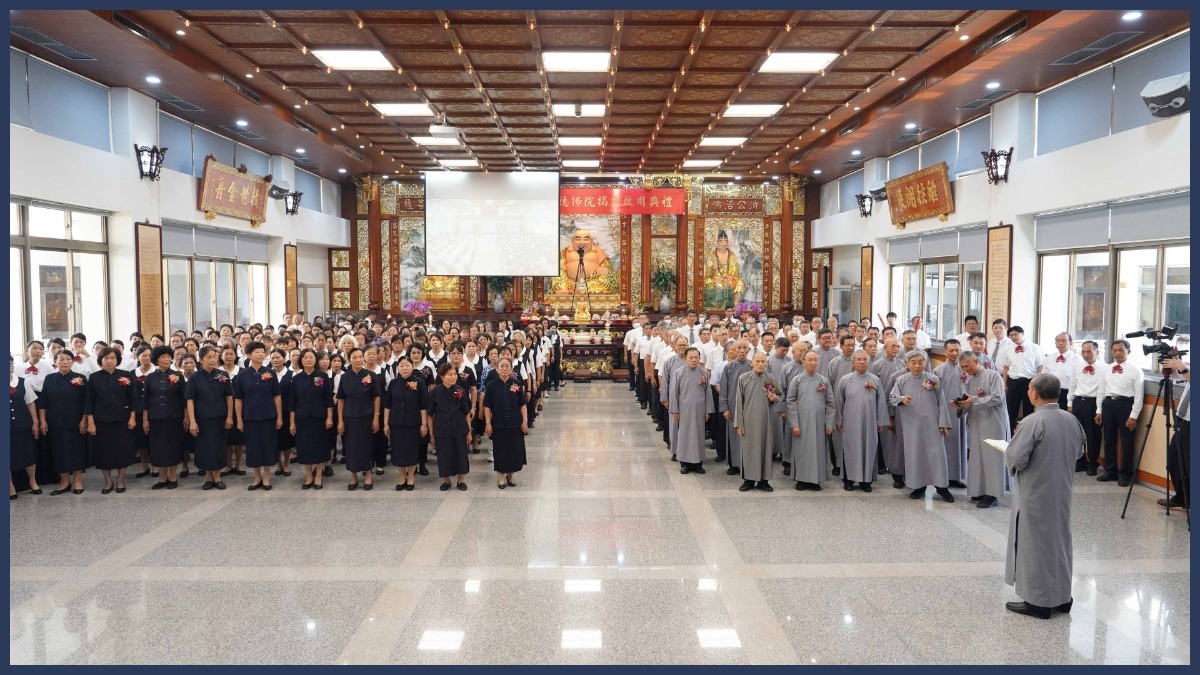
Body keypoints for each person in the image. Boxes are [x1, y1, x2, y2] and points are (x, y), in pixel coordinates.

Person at [1004, 373, 1086, 620]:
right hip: (1061, 491)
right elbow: (1079, 452)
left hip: (1036, 492)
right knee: (1059, 543)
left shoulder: (1032, 421)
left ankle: (1038, 602)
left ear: (1034, 393)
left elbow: (1016, 457)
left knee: (1035, 544)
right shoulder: (1071, 419)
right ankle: (1062, 598)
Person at [891, 351, 954, 503]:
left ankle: (942, 487)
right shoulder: (901, 380)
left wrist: (943, 423)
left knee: (937, 455)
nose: (917, 366)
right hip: (912, 425)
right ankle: (919, 486)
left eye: (920, 362)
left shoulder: (933, 379)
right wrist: (902, 399)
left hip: (932, 424)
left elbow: (941, 401)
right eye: (913, 363)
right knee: (915, 455)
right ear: (907, 364)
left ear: (925, 363)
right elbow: (892, 397)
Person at [959, 351, 1012, 508]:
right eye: (962, 367)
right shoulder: (970, 380)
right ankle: (979, 489)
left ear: (976, 361)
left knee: (992, 457)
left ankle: (992, 494)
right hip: (977, 422)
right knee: (977, 457)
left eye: (967, 366)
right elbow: (969, 400)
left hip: (993, 421)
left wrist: (974, 400)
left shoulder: (993, 375)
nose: (965, 370)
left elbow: (997, 397)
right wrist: (960, 405)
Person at [85, 347, 138, 495]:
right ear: (101, 360)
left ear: (117, 360)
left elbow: (133, 398)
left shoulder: (126, 375)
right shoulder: (94, 377)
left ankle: (121, 480)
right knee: (103, 452)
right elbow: (89, 401)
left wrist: (133, 417)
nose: (110, 361)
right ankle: (108, 481)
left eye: (113, 358)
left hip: (123, 420)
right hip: (101, 421)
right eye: (106, 358)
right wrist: (90, 422)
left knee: (123, 451)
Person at [833, 351, 888, 492]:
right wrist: (838, 420)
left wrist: (880, 421)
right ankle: (849, 480)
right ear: (853, 362)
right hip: (851, 422)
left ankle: (866, 481)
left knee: (869, 448)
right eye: (858, 359)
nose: (862, 362)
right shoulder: (845, 380)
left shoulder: (875, 380)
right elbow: (839, 401)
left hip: (870, 422)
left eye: (864, 359)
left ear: (869, 362)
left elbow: (881, 401)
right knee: (850, 449)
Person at [234, 342, 282, 491]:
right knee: (253, 447)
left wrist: (279, 417)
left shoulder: (270, 372)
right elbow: (238, 399)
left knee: (268, 446)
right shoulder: (242, 375)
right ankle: (256, 477)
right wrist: (239, 419)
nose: (261, 354)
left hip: (268, 416)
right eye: (257, 352)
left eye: (262, 351)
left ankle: (266, 477)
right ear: (248, 355)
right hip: (250, 417)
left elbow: (277, 396)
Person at [1096, 340, 1144, 487]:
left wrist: (1133, 416)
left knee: (1127, 441)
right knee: (1109, 439)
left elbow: (1139, 396)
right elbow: (1101, 391)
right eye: (1114, 350)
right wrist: (1099, 411)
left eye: (1121, 350)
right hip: (1108, 404)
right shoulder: (1107, 369)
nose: (1117, 353)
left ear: (1128, 351)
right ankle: (1110, 470)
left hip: (1126, 405)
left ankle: (1125, 474)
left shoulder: (1136, 370)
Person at [786, 350, 834, 490]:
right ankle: (801, 480)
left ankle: (815, 480)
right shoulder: (797, 380)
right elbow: (790, 402)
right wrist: (794, 424)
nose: (813, 362)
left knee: (818, 451)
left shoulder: (823, 380)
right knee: (801, 451)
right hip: (802, 422)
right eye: (810, 360)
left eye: (815, 360)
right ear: (803, 362)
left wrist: (829, 424)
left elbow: (830, 403)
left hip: (819, 423)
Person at [187, 346, 234, 490]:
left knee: (219, 447)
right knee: (205, 448)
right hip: (202, 419)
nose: (213, 360)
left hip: (220, 418)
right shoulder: (194, 377)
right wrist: (192, 421)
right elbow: (190, 400)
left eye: (214, 357)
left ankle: (218, 477)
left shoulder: (223, 374)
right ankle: (208, 478)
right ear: (201, 360)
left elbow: (229, 397)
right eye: (209, 357)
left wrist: (229, 416)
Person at [289, 348, 334, 490]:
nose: (308, 359)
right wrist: (292, 422)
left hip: (319, 418)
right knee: (305, 448)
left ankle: (318, 476)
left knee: (319, 447)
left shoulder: (322, 376)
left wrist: (329, 418)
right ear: (301, 360)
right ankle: (309, 476)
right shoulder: (296, 379)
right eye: (305, 357)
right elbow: (292, 402)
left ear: (316, 360)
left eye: (311, 357)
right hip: (302, 419)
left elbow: (328, 399)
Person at [733, 352, 778, 492]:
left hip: (765, 421)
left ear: (767, 363)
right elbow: (739, 401)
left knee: (765, 449)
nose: (760, 364)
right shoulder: (744, 378)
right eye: (757, 361)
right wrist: (739, 423)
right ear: (751, 363)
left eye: (763, 361)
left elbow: (777, 397)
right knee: (749, 450)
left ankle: (764, 480)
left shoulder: (769, 379)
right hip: (748, 421)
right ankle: (749, 480)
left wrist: (774, 398)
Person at [143, 346, 187, 490]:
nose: (167, 359)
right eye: (163, 357)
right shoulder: (150, 378)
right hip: (155, 418)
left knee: (173, 447)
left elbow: (183, 399)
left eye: (169, 356)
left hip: (174, 417)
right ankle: (162, 479)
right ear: (156, 359)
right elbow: (145, 400)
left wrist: (186, 416)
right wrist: (145, 419)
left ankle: (173, 477)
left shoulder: (178, 376)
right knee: (158, 449)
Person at [383, 356, 429, 491]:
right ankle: (402, 478)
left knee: (412, 451)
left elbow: (423, 405)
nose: (404, 368)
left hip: (413, 423)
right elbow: (387, 405)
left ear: (412, 367)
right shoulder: (393, 383)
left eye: (407, 365)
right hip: (396, 423)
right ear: (398, 368)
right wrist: (385, 423)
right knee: (398, 451)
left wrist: (424, 424)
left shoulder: (419, 382)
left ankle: (411, 477)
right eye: (401, 365)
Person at [337, 348, 380, 490]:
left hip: (366, 416)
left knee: (366, 446)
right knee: (351, 447)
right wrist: (340, 420)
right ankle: (354, 476)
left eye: (360, 357)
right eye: (354, 357)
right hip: (349, 417)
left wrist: (376, 418)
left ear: (364, 358)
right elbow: (341, 400)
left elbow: (377, 397)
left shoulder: (371, 375)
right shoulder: (345, 377)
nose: (358, 360)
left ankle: (368, 475)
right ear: (349, 359)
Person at [483, 356, 528, 488]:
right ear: (497, 369)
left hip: (515, 423)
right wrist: (488, 423)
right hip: (498, 423)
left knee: (514, 450)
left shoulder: (517, 383)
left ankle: (510, 476)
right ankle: (501, 477)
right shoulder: (491, 385)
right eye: (501, 366)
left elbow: (522, 404)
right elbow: (487, 406)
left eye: (507, 366)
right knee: (500, 450)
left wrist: (525, 421)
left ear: (511, 369)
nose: (504, 368)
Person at [670, 347, 713, 475]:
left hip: (699, 410)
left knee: (699, 436)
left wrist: (708, 411)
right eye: (691, 358)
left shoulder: (704, 372)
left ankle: (698, 463)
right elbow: (674, 392)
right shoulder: (679, 372)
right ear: (685, 359)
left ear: (699, 359)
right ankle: (684, 464)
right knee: (684, 436)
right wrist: (675, 411)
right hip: (684, 410)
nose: (694, 360)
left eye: (696, 358)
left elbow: (708, 392)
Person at [1066, 341, 1108, 475]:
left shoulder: (1105, 368)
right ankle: (1080, 461)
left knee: (1093, 435)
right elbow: (1072, 385)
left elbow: (1104, 390)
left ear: (1097, 352)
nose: (1085, 354)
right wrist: (1070, 404)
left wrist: (1099, 409)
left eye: (1089, 351)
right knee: (1077, 434)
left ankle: (1092, 463)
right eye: (1083, 351)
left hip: (1094, 403)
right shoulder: (1078, 366)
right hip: (1078, 401)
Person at [430, 363, 472, 491]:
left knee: (461, 454)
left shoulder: (460, 390)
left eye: (455, 374)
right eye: (450, 375)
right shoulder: (435, 392)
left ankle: (461, 480)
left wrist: (469, 431)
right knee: (443, 455)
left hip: (459, 427)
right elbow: (430, 414)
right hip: (441, 428)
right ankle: (446, 481)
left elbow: (466, 412)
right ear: (442, 376)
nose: (453, 377)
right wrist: (431, 433)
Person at [870, 337, 906, 484]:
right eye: (893, 346)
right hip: (883, 405)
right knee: (885, 438)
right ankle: (884, 464)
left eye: (898, 346)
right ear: (885, 348)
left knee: (898, 439)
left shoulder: (902, 363)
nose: (896, 349)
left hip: (900, 406)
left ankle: (897, 467)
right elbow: (873, 386)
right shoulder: (877, 365)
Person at [936, 339, 969, 489]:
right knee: (949, 443)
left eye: (957, 350)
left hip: (964, 410)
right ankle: (946, 476)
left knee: (961, 442)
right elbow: (936, 394)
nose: (955, 353)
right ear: (945, 352)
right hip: (947, 411)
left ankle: (957, 476)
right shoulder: (939, 371)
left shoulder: (966, 368)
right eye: (951, 351)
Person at [997, 326, 1044, 431]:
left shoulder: (1035, 347)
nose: (1013, 337)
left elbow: (1041, 366)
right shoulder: (1007, 349)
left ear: (1022, 334)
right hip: (1013, 380)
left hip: (1030, 381)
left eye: (1015, 334)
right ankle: (1010, 432)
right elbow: (1005, 367)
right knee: (1011, 408)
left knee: (1029, 408)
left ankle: (1029, 431)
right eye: (1011, 335)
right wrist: (1004, 383)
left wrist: (1037, 381)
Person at [1159, 356, 1190, 510]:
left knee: (1190, 464)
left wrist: (1182, 366)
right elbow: (1178, 375)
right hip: (1183, 420)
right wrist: (1170, 365)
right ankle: (1182, 497)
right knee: (1175, 459)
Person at [10, 355, 42, 500]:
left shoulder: (22, 382)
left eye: (10, 363)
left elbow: (30, 403)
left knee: (28, 453)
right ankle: (10, 486)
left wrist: (35, 422)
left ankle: (33, 481)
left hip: (23, 424)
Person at [718, 339, 752, 476]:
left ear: (749, 350)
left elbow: (767, 384)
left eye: (745, 347)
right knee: (733, 436)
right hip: (733, 407)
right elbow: (723, 390)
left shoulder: (753, 365)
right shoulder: (728, 367)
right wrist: (725, 408)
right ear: (735, 350)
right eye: (739, 348)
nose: (742, 351)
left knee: (749, 436)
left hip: (750, 407)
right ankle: (734, 465)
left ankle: (748, 464)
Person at [218, 346, 246, 477]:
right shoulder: (217, 372)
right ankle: (228, 465)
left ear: (235, 356)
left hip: (240, 410)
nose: (228, 357)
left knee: (239, 439)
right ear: (221, 357)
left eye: (231, 354)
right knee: (227, 439)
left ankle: (238, 465)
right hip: (223, 410)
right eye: (226, 354)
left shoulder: (242, 372)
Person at [270, 348, 295, 478]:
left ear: (284, 359)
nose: (275, 360)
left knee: (286, 440)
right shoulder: (267, 374)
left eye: (278, 357)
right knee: (275, 439)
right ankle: (279, 464)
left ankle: (286, 464)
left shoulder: (291, 375)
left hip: (287, 412)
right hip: (271, 412)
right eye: (273, 358)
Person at [703, 230, 744, 309]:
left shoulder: (732, 255)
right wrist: (713, 269)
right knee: (716, 284)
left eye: (725, 241)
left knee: (739, 282)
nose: (723, 243)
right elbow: (708, 274)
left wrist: (731, 277)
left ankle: (736, 304)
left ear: (728, 243)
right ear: (717, 243)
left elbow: (735, 270)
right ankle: (717, 306)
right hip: (715, 279)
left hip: (728, 279)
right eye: (721, 241)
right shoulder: (712, 255)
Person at [1042, 333, 1081, 409]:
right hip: (1050, 392)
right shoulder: (1049, 357)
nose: (1060, 343)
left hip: (1068, 392)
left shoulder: (1077, 358)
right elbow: (1043, 375)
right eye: (1058, 341)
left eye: (1063, 341)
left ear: (1070, 342)